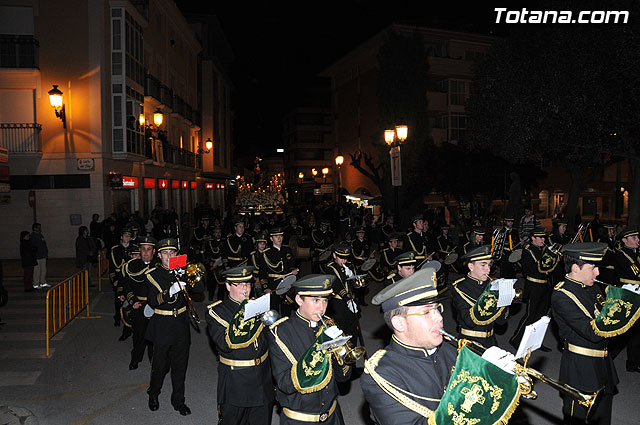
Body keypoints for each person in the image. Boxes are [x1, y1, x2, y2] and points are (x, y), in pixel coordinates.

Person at [551, 242, 640, 424]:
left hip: (603, 362)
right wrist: (622, 310)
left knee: (603, 417)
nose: (597, 273)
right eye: (593, 267)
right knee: (577, 419)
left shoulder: (591, 285)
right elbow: (592, 331)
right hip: (580, 367)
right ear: (575, 267)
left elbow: (602, 311)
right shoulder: (562, 295)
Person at [361, 267, 457, 424]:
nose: (439, 317)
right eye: (426, 312)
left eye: (437, 308)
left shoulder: (449, 349)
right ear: (399, 323)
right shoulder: (381, 375)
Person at [266, 274, 352, 424]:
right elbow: (285, 384)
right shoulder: (281, 332)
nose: (322, 308)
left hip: (332, 415)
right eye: (315, 300)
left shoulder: (329, 326)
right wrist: (320, 350)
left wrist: (342, 353)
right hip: (300, 419)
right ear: (299, 299)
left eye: (325, 300)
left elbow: (343, 377)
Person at [206, 266, 274, 425]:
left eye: (248, 284)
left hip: (262, 377)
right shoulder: (217, 312)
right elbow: (226, 344)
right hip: (236, 381)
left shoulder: (258, 306)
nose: (245, 288)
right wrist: (245, 312)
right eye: (239, 284)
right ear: (228, 286)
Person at [145, 238, 204, 415]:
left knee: (180, 367)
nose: (169, 256)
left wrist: (187, 274)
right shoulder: (152, 275)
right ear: (159, 255)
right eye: (166, 253)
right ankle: (153, 393)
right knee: (160, 366)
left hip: (180, 326)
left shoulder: (182, 270)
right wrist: (170, 291)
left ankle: (178, 401)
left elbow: (200, 287)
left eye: (173, 253)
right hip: (163, 326)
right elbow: (153, 300)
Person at [510, 227, 559, 351]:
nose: (544, 239)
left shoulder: (543, 249)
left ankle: (536, 342)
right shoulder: (528, 250)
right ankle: (516, 339)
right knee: (531, 315)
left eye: (544, 237)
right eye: (540, 237)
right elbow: (537, 267)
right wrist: (550, 256)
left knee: (541, 317)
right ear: (533, 238)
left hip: (544, 286)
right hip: (534, 286)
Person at [451, 244, 508, 347]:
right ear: (471, 266)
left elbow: (501, 321)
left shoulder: (491, 285)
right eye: (483, 265)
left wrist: (505, 299)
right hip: (470, 342)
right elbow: (470, 321)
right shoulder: (460, 287)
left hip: (491, 340)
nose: (488, 270)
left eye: (489, 265)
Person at [121, 235, 156, 370]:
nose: (146, 252)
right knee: (138, 336)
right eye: (143, 249)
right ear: (140, 251)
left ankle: (154, 361)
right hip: (139, 305)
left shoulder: (159, 265)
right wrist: (133, 300)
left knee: (155, 336)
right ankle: (135, 358)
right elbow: (127, 285)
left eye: (149, 249)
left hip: (155, 306)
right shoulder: (132, 266)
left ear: (153, 251)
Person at [613, 226, 640, 372]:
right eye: (634, 238)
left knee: (636, 331)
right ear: (624, 240)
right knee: (622, 331)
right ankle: (606, 359)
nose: (638, 240)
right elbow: (636, 274)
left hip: (637, 293)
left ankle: (633, 363)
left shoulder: (635, 253)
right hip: (627, 294)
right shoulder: (621, 255)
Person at [110, 228, 132, 328]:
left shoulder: (134, 248)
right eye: (125, 235)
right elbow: (112, 267)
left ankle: (129, 320)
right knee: (118, 299)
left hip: (131, 277)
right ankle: (118, 318)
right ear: (121, 237)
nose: (126, 237)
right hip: (119, 277)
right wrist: (114, 279)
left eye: (128, 235)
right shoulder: (115, 249)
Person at [30, 223, 50, 289]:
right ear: (34, 228)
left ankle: (43, 282)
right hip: (37, 256)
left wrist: (46, 253)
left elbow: (44, 244)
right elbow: (35, 245)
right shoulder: (32, 236)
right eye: (38, 227)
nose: (40, 229)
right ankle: (36, 283)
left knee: (43, 270)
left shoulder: (40, 235)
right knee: (37, 270)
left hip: (42, 255)